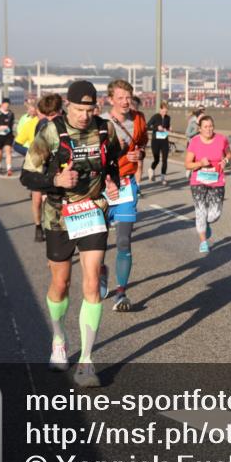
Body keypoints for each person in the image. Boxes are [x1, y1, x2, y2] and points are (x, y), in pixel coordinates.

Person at [20, 80, 121, 388]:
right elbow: (27, 176)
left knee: (91, 284)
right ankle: (59, 339)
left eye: (90, 110)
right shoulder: (51, 132)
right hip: (59, 217)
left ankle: (87, 362)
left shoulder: (105, 129)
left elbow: (113, 162)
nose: (84, 116)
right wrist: (56, 181)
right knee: (61, 283)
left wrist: (113, 182)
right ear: (68, 105)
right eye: (79, 109)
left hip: (92, 212)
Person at [100, 80, 148, 312]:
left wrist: (139, 155)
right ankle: (101, 270)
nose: (125, 102)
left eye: (128, 97)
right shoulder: (101, 122)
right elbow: (93, 157)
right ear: (111, 99)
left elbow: (142, 145)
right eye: (120, 98)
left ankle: (121, 293)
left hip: (127, 185)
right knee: (98, 242)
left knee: (123, 240)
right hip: (102, 186)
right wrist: (117, 154)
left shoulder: (138, 119)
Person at [185, 115, 231, 254]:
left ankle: (206, 223)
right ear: (199, 129)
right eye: (205, 126)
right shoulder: (194, 141)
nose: (208, 129)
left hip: (217, 180)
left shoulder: (221, 139)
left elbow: (229, 154)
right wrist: (200, 163)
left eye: (211, 126)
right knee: (200, 211)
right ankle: (203, 242)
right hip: (198, 181)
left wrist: (225, 161)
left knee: (214, 214)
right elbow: (187, 164)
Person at [28, 94, 64, 243]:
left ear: (60, 110)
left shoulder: (68, 123)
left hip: (60, 169)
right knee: (37, 199)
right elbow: (36, 148)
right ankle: (38, 226)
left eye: (53, 114)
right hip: (42, 165)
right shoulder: (42, 124)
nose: (50, 119)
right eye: (47, 115)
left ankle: (57, 231)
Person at [148, 100, 172, 184]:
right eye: (164, 110)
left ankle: (163, 178)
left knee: (165, 159)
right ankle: (151, 169)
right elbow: (147, 126)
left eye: (166, 110)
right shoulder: (155, 116)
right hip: (155, 141)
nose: (165, 112)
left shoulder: (168, 118)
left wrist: (169, 128)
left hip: (164, 140)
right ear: (160, 109)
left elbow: (167, 127)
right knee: (157, 159)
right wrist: (156, 128)